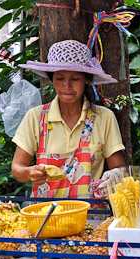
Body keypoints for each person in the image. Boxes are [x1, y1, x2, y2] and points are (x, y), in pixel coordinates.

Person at [11, 40, 125, 198]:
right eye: (59, 78)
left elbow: (118, 167)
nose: (67, 86)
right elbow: (17, 168)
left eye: (75, 79)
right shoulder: (36, 117)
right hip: (45, 216)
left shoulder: (104, 118)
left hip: (90, 217)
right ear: (52, 79)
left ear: (87, 79)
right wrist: (30, 172)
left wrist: (114, 176)